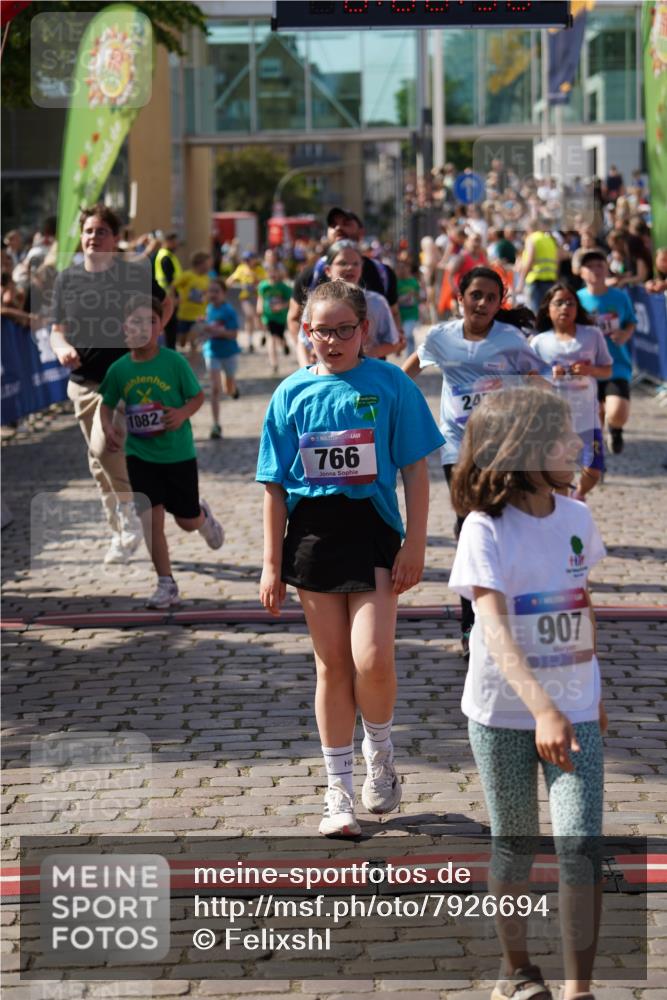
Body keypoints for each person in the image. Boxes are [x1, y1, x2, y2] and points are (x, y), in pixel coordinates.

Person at [257, 278, 444, 837]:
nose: (333, 340)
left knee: (372, 659)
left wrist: (416, 541)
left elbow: (414, 467)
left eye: (344, 329)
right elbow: (273, 484)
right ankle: (337, 790)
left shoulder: (389, 384)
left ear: (364, 330)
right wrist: (271, 565)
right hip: (313, 535)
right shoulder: (290, 393)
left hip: (374, 533)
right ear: (305, 332)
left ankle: (380, 752)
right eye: (322, 331)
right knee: (332, 665)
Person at [449, 385, 607, 1000]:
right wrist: (541, 708)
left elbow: (581, 601)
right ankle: (516, 968)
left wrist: (591, 693)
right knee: (514, 843)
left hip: (573, 715)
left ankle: (579, 989)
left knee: (580, 848)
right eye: (562, 437)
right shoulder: (483, 530)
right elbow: (493, 630)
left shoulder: (578, 519)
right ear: (522, 450)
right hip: (503, 713)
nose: (577, 446)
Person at [402, 266, 545, 657]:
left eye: (491, 297)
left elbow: (535, 377)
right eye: (475, 295)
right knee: (471, 526)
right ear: (460, 296)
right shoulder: (441, 337)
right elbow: (410, 368)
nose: (482, 303)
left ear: (501, 304)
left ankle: (509, 611)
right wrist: (388, 398)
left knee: (505, 523)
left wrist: (557, 402)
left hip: (504, 447)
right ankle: (472, 623)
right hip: (457, 447)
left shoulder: (511, 339)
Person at [50, 203, 171, 565]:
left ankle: (135, 514)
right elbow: (57, 332)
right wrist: (63, 348)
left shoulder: (131, 274)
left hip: (126, 379)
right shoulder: (66, 280)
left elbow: (165, 304)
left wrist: (153, 334)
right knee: (97, 460)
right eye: (88, 231)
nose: (92, 237)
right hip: (84, 384)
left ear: (115, 238)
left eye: (101, 231)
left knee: (106, 450)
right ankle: (122, 530)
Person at [99, 295, 224, 608]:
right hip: (140, 456)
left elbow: (196, 397)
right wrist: (108, 427)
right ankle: (166, 583)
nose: (144, 328)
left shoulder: (174, 362)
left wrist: (181, 414)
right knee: (151, 521)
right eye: (136, 322)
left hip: (178, 454)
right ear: (124, 328)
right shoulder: (119, 369)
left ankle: (203, 518)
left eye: (151, 322)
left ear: (160, 327)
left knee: (186, 520)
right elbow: (107, 403)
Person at [532, 283, 612, 501]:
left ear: (578, 308)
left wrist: (590, 370)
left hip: (588, 418)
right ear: (548, 308)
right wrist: (549, 375)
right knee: (559, 474)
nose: (565, 307)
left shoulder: (592, 335)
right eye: (559, 303)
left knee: (593, 472)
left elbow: (607, 369)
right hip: (555, 420)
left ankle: (580, 494)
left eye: (570, 303)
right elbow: (529, 380)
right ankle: (563, 510)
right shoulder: (539, 342)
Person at [287, 207, 399, 346]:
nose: (338, 227)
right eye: (333, 225)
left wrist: (396, 341)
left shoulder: (383, 273)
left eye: (346, 223)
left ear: (361, 231)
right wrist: (307, 356)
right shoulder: (311, 274)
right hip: (323, 365)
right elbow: (294, 317)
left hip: (370, 366)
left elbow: (394, 317)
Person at [297, 241, 400, 367]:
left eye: (355, 264)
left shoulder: (377, 302)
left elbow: (394, 342)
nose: (350, 267)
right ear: (328, 270)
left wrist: (364, 354)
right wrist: (306, 370)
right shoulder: (316, 303)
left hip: (368, 375)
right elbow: (302, 341)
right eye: (342, 263)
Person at [576, 250, 636, 455]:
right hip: (587, 367)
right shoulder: (575, 299)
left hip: (615, 364)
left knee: (616, 413)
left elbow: (631, 322)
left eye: (599, 265)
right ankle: (597, 458)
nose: (595, 269)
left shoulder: (620, 297)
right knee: (595, 417)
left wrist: (624, 334)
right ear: (581, 272)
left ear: (606, 269)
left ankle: (616, 429)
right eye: (589, 266)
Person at [201, 278, 241, 439]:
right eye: (211, 291)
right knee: (215, 389)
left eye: (217, 291)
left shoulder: (229, 311)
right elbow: (208, 329)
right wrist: (204, 328)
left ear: (224, 293)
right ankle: (216, 425)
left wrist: (217, 331)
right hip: (212, 352)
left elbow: (234, 334)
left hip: (229, 352)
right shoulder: (208, 309)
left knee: (228, 388)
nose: (213, 294)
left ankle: (233, 389)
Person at [517, 217, 560, 314]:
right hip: (550, 280)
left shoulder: (532, 239)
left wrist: (521, 281)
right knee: (547, 312)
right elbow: (557, 261)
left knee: (534, 313)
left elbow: (529, 261)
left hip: (535, 282)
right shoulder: (550, 240)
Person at [227, 251, 267, 353]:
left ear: (254, 260)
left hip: (258, 297)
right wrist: (229, 283)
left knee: (258, 318)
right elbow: (231, 279)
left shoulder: (259, 269)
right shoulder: (241, 268)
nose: (247, 262)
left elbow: (264, 282)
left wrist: (253, 275)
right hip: (245, 297)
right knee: (249, 316)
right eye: (245, 260)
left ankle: (263, 333)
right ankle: (250, 342)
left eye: (249, 259)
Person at [256, 265, 292, 375]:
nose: (272, 276)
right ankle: (274, 363)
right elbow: (261, 297)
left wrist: (282, 306)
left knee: (280, 336)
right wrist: (259, 306)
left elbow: (290, 301)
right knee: (271, 337)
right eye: (270, 273)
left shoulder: (284, 287)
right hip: (268, 316)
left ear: (279, 274)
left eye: (275, 273)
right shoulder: (263, 286)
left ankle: (285, 344)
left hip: (280, 317)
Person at [174, 251, 211, 354]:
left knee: (193, 340)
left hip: (199, 316)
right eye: (208, 263)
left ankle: (191, 362)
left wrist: (207, 296)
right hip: (184, 314)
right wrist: (175, 299)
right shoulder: (187, 275)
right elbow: (173, 286)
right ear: (200, 263)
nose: (209, 266)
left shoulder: (207, 278)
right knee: (181, 342)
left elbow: (208, 293)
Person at [153, 232, 182, 350]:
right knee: (170, 327)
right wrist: (174, 298)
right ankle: (170, 351)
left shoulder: (166, 255)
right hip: (167, 297)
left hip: (165, 295)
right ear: (167, 242)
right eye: (174, 242)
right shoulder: (165, 257)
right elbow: (170, 281)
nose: (176, 244)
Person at [395, 257, 421, 355]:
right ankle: (399, 348)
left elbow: (418, 297)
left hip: (411, 314)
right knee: (400, 334)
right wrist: (403, 298)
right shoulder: (395, 283)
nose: (402, 270)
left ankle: (410, 355)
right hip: (399, 315)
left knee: (409, 334)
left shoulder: (413, 282)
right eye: (399, 268)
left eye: (404, 268)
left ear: (409, 269)